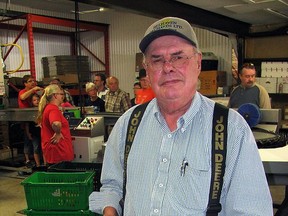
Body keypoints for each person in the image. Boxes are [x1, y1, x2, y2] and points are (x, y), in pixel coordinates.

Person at [89, 17, 273, 215]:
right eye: (157, 59)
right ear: (147, 71)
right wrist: (110, 208)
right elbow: (112, 186)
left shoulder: (232, 130)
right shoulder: (128, 124)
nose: (168, 67)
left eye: (178, 57)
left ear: (198, 63)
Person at [36, 84, 74, 165]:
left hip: (53, 151)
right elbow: (56, 123)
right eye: (61, 94)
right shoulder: (53, 109)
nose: (63, 96)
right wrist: (58, 133)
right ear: (55, 95)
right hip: (59, 151)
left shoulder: (48, 108)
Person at [18, 75, 43, 167]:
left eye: (34, 81)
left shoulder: (35, 92)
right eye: (30, 81)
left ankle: (38, 160)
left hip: (35, 120)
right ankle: (28, 160)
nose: (33, 82)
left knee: (36, 143)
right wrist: (33, 90)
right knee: (27, 141)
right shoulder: (23, 92)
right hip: (26, 121)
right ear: (25, 83)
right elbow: (23, 97)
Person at [25, 94, 43, 167]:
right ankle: (38, 165)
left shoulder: (42, 109)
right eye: (34, 100)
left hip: (42, 132)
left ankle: (45, 164)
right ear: (31, 102)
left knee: (43, 148)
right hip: (34, 133)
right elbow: (27, 124)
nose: (37, 101)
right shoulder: (30, 111)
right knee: (36, 148)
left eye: (38, 100)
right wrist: (28, 133)